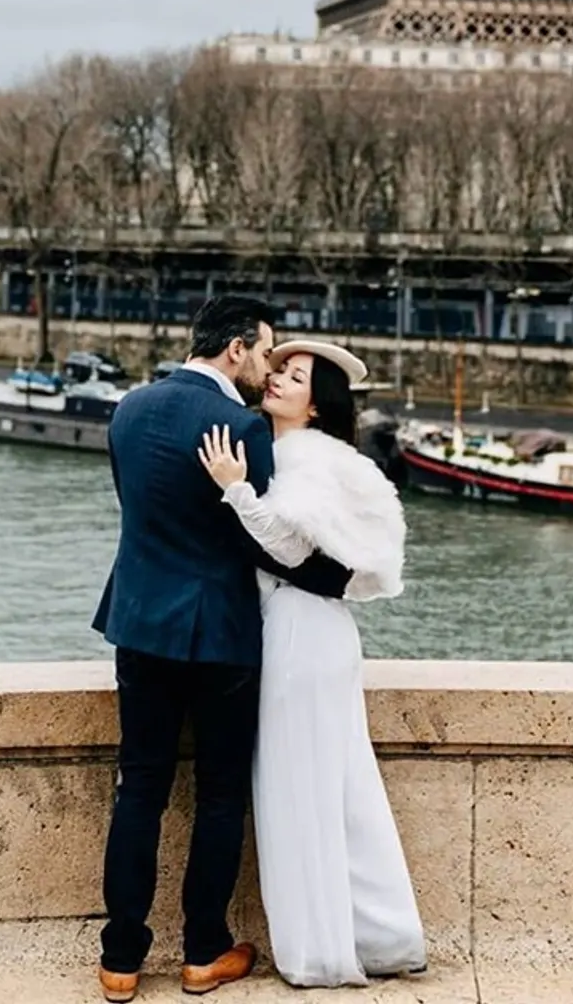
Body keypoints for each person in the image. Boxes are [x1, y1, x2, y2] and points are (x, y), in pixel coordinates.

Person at [92, 297, 354, 1003]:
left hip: (138, 623)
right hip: (220, 634)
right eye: (266, 353)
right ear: (236, 348)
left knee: (138, 787)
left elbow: (137, 509)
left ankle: (120, 960)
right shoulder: (239, 427)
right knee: (217, 796)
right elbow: (257, 537)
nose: (268, 368)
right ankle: (203, 950)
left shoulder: (130, 409)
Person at [198, 338, 427, 989]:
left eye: (294, 378)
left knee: (297, 793)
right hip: (323, 632)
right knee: (343, 790)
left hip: (299, 631)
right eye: (279, 372)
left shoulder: (300, 456)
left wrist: (235, 490)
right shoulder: (327, 455)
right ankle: (383, 936)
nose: (277, 382)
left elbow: (291, 548)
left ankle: (316, 953)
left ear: (317, 405)